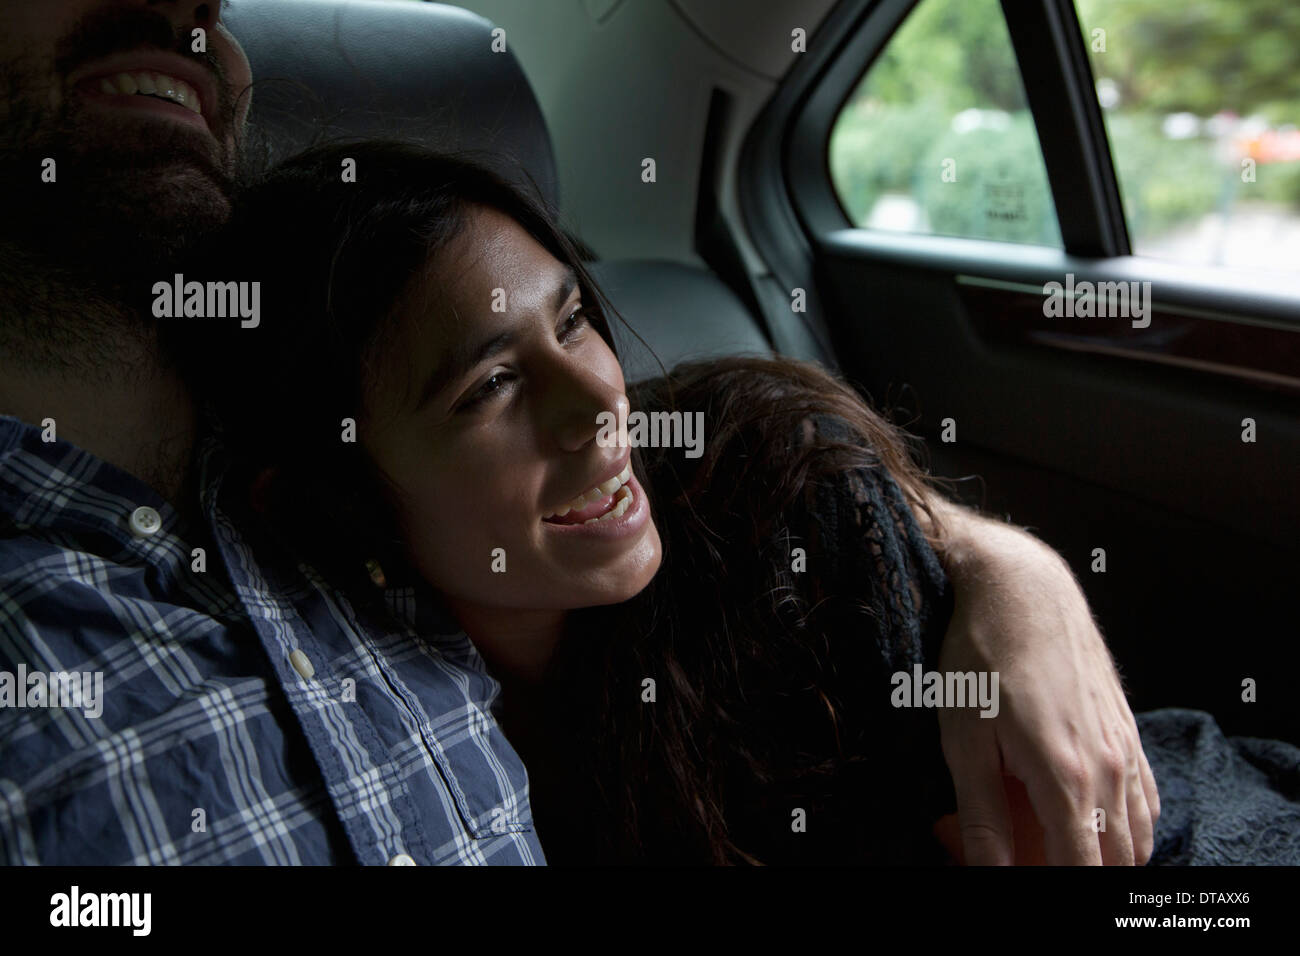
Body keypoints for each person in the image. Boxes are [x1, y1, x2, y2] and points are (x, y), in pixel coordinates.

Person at [0, 0, 1159, 866]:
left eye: (574, 319)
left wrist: (1011, 568)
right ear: (330, 497)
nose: (598, 404)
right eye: (486, 385)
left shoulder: (761, 521)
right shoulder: (299, 521)